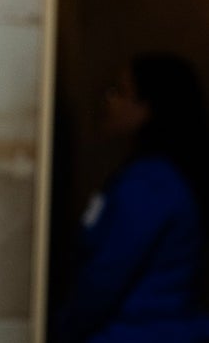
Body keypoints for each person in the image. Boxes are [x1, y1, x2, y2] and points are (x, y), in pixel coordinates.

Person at [50, 52, 209, 343]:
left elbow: (105, 275)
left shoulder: (152, 184)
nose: (108, 101)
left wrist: (63, 329)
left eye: (120, 92)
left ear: (147, 107)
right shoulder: (149, 177)